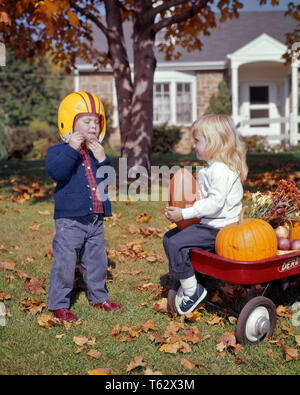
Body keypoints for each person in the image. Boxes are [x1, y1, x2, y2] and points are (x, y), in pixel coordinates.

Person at [46, 91, 122, 323]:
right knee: (65, 263)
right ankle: (59, 304)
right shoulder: (58, 151)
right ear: (69, 121)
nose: (92, 126)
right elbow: (57, 172)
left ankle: (99, 297)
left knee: (97, 261)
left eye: (96, 121)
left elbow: (108, 180)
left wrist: (103, 159)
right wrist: (71, 149)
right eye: (86, 121)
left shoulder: (96, 152)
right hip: (70, 221)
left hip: (95, 220)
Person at [164, 114, 248, 315]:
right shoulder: (212, 168)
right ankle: (191, 279)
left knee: (175, 243)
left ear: (214, 142)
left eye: (198, 140)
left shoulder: (220, 170)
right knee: (170, 237)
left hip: (221, 229)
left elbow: (214, 204)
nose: (194, 145)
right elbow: (204, 199)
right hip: (209, 224)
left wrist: (184, 213)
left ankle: (193, 290)